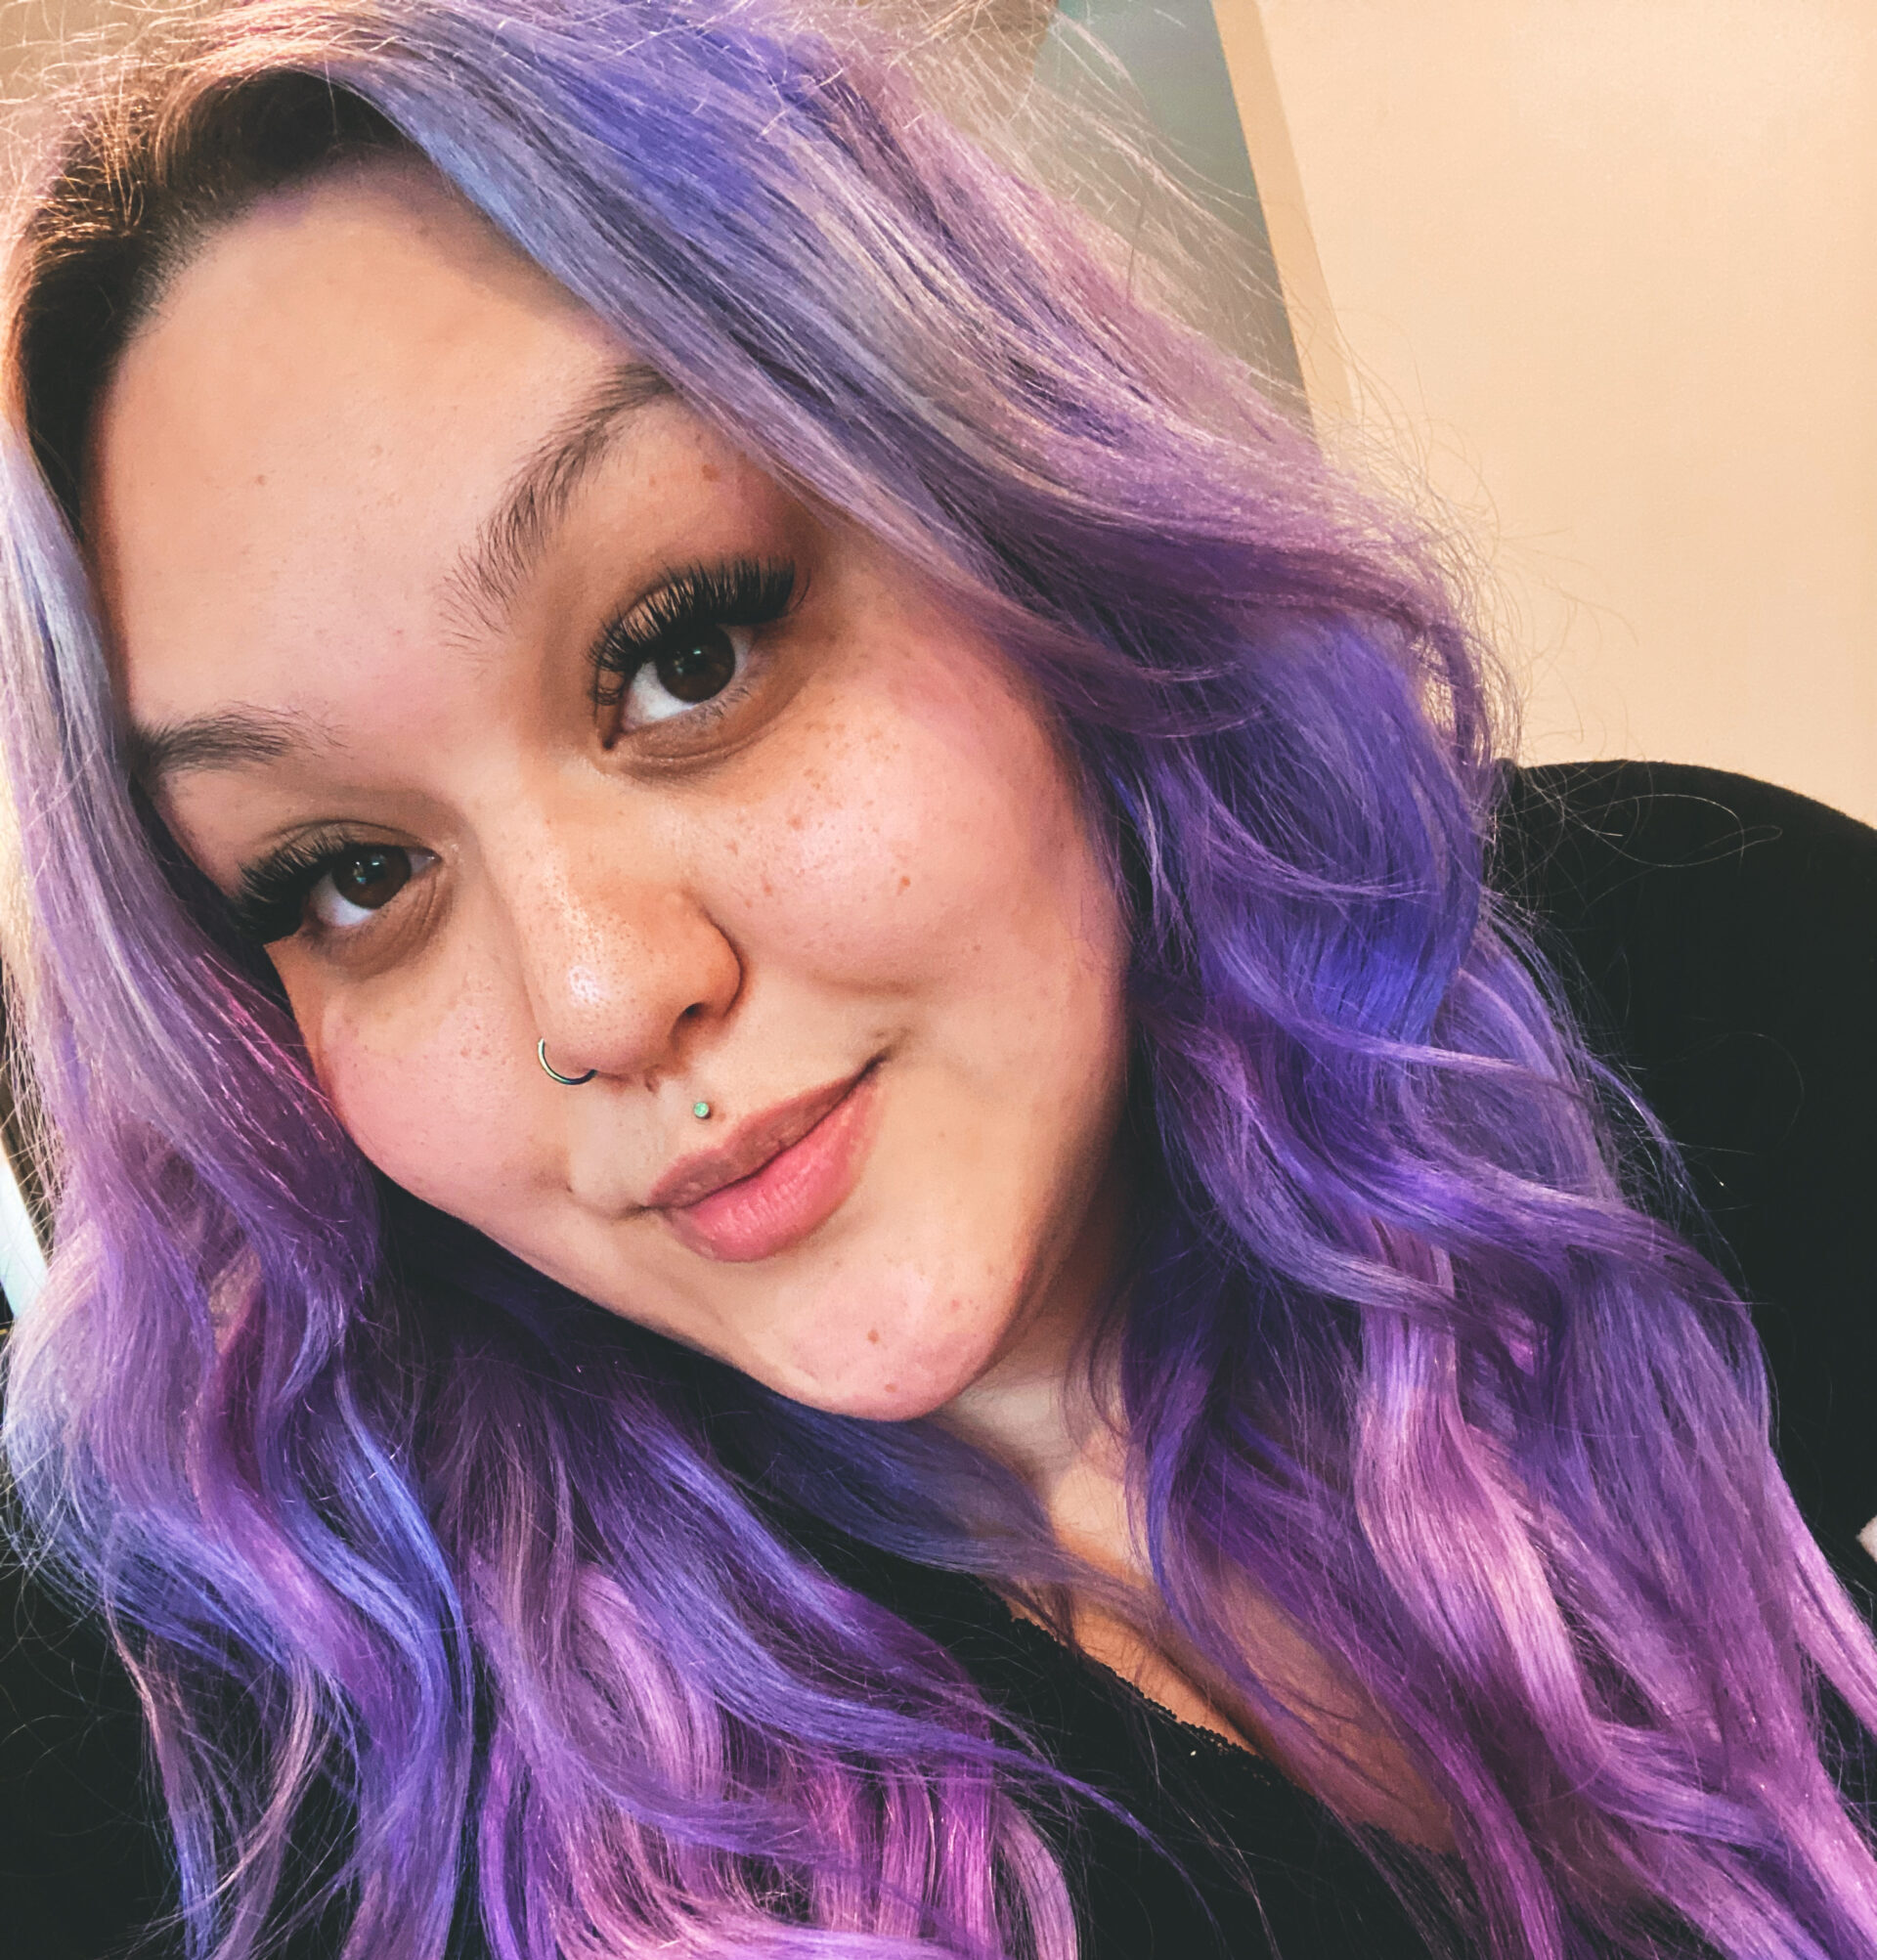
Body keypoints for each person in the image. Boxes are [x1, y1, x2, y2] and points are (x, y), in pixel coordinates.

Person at [1, 4, 1873, 1956]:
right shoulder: (262, 1733)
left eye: (686, 652)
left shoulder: (1715, 981)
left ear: (1025, 521)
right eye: (352, 873)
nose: (597, 999)